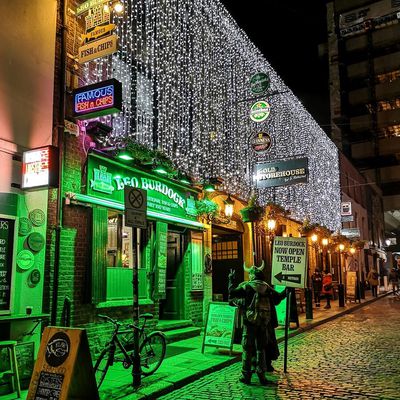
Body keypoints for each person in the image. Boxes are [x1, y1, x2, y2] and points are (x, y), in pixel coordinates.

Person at [228, 261, 285, 385]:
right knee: (261, 349)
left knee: (247, 348)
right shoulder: (267, 287)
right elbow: (279, 297)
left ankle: (246, 375)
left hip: (250, 322)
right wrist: (288, 288)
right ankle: (262, 375)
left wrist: (231, 280)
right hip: (263, 323)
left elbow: (232, 293)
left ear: (252, 276)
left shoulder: (247, 286)